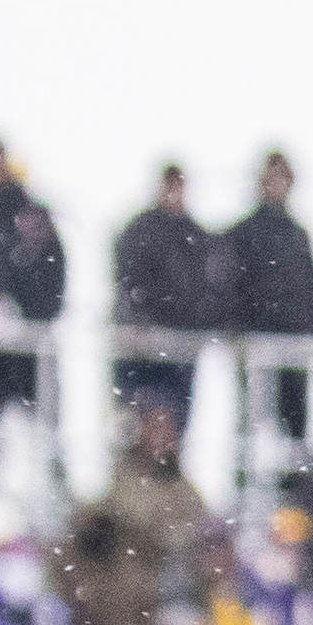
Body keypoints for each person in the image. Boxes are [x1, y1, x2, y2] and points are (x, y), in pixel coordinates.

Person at [222, 153, 313, 453]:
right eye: (272, 178)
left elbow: (310, 288)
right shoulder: (243, 233)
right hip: (255, 344)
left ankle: (292, 492)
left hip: (293, 347)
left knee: (295, 426)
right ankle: (246, 485)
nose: (277, 185)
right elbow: (229, 286)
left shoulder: (297, 235)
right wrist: (237, 327)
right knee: (250, 426)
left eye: (282, 178)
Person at [108, 164, 219, 445]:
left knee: (173, 432)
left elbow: (204, 290)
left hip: (178, 351)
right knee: (133, 432)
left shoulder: (196, 237)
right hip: (140, 349)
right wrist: (142, 317)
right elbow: (127, 280)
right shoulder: (140, 231)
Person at [0, 142, 67, 450]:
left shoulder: (34, 217)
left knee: (40, 433)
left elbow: (53, 274)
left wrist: (31, 316)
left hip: (31, 348)